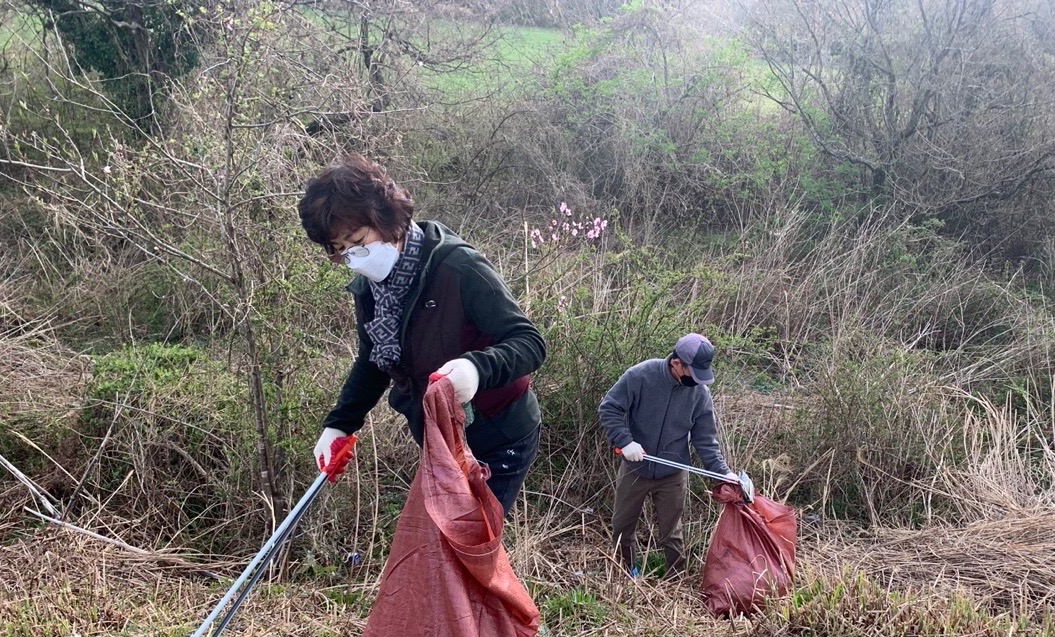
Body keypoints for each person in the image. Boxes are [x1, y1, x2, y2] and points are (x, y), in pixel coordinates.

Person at [299, 155, 545, 515]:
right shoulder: (370, 290)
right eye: (340, 251)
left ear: (385, 218)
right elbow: (373, 362)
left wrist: (476, 369)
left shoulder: (458, 267)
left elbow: (529, 342)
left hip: (498, 435)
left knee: (468, 545)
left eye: (357, 240)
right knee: (445, 543)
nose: (354, 257)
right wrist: (340, 423)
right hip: (438, 437)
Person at [599, 334, 739, 577]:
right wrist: (625, 441)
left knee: (671, 532)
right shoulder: (640, 375)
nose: (697, 381)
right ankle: (626, 574)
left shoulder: (699, 395)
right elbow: (609, 408)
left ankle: (674, 578)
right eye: (692, 374)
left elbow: (705, 440)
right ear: (677, 363)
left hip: (673, 473)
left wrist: (723, 473)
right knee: (622, 526)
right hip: (635, 468)